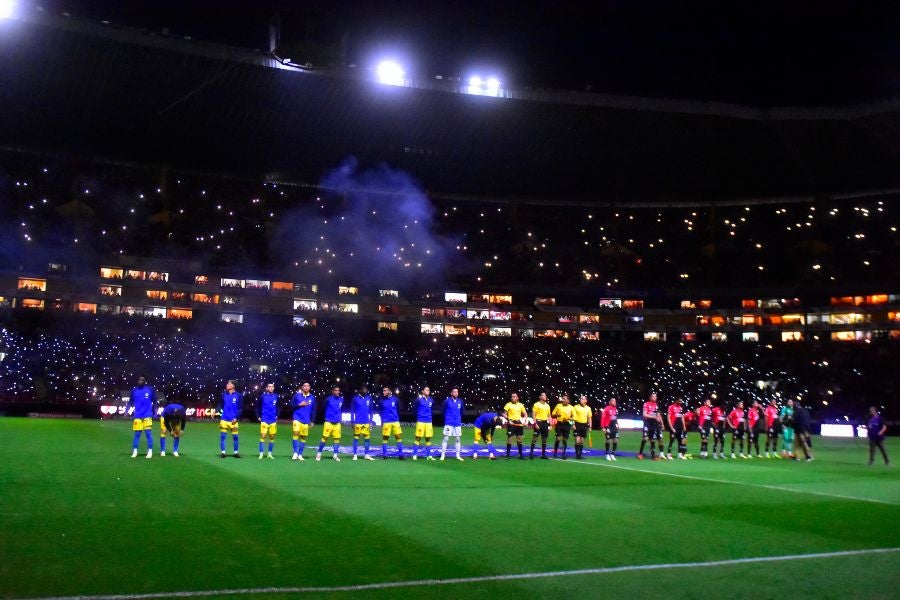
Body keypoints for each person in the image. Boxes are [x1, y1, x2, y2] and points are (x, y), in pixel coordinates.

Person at [128, 376, 155, 459]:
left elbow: (155, 401)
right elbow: (130, 401)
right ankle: (135, 451)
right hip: (138, 416)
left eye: (142, 380)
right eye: (139, 380)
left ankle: (150, 451)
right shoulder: (134, 390)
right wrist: (126, 411)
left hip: (147, 415)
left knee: (148, 433)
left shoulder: (150, 389)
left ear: (145, 381)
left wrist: (155, 412)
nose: (140, 381)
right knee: (137, 434)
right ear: (137, 381)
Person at [316, 385, 344, 462]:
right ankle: (319, 454)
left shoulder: (341, 399)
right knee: (324, 438)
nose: (337, 392)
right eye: (336, 390)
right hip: (328, 421)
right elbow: (323, 408)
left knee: (337, 439)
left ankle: (335, 455)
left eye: (338, 390)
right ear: (332, 391)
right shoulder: (328, 399)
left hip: (337, 422)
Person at [291, 382, 315, 461]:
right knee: (296, 433)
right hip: (297, 418)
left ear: (309, 388)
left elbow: (314, 410)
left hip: (306, 420)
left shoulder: (312, 397)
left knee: (303, 437)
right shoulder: (297, 396)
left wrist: (312, 421)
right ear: (302, 387)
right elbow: (291, 405)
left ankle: (300, 454)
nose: (306, 387)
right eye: (304, 386)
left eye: (308, 386)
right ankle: (295, 452)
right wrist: (299, 405)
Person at [219, 380, 243, 458]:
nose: (227, 385)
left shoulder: (239, 395)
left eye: (229, 384)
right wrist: (214, 411)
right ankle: (223, 453)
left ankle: (236, 453)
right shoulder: (223, 395)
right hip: (224, 419)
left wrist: (236, 418)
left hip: (233, 420)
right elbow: (220, 405)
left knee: (235, 437)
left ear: (233, 386)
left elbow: (240, 408)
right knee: (223, 437)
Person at [380, 386, 405, 459]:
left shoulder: (396, 399)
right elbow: (380, 411)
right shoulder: (382, 401)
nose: (383, 392)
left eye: (385, 390)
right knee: (385, 438)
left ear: (389, 391)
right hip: (386, 421)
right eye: (383, 391)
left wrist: (397, 418)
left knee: (398, 437)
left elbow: (398, 409)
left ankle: (401, 455)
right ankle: (385, 455)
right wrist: (382, 420)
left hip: (395, 421)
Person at [351, 385, 375, 461]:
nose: (365, 391)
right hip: (358, 421)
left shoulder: (369, 398)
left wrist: (371, 421)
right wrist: (352, 421)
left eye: (366, 389)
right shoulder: (355, 398)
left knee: (367, 439)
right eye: (364, 389)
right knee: (356, 438)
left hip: (366, 422)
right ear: (360, 390)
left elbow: (371, 410)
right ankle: (355, 454)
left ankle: (366, 454)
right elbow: (352, 411)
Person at [440, 388, 465, 461]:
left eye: (457, 392)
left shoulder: (460, 401)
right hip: (449, 423)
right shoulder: (447, 401)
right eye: (454, 392)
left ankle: (458, 455)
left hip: (457, 423)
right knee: (446, 438)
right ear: (451, 393)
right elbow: (443, 411)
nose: (456, 393)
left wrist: (458, 418)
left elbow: (462, 411)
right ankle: (443, 455)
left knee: (457, 439)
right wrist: (448, 418)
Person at [257, 383, 279, 459]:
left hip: (273, 420)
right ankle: (261, 453)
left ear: (274, 388)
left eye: (272, 386)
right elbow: (257, 407)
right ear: (267, 388)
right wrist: (258, 416)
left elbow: (279, 406)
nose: (271, 388)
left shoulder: (276, 396)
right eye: (269, 386)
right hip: (264, 419)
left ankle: (269, 453)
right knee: (263, 436)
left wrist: (277, 415)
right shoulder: (262, 396)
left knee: (272, 437)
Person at [638, 392, 663, 460]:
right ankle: (640, 454)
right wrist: (654, 417)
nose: (655, 398)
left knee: (652, 440)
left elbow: (658, 415)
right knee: (645, 438)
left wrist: (660, 422)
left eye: (656, 396)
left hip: (654, 424)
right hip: (647, 423)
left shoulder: (656, 405)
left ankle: (653, 456)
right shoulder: (646, 404)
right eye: (653, 397)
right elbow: (644, 414)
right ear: (650, 397)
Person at [413, 386, 435, 461]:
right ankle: (415, 455)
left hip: (428, 421)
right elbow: (415, 408)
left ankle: (428, 455)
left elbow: (431, 409)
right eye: (426, 390)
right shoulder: (418, 400)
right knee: (418, 438)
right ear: (422, 391)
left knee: (428, 438)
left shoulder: (431, 400)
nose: (428, 391)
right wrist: (419, 416)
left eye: (428, 390)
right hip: (421, 421)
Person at [503, 392, 528, 459]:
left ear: (517, 398)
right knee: (509, 439)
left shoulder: (521, 405)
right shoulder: (508, 404)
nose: (513, 398)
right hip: (511, 423)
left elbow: (525, 414)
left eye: (514, 396)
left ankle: (520, 455)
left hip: (519, 423)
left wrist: (525, 421)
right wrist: (509, 420)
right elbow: (504, 414)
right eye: (512, 397)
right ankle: (508, 455)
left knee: (519, 439)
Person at [529, 392, 552, 459]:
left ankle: (543, 454)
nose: (545, 396)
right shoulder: (536, 404)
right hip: (538, 422)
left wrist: (550, 425)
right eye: (543, 395)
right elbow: (533, 414)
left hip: (545, 423)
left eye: (545, 395)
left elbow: (549, 415)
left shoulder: (547, 406)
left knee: (544, 438)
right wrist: (535, 423)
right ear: (540, 397)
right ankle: (531, 453)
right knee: (535, 438)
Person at [551, 394, 574, 459]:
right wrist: (557, 414)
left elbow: (575, 417)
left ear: (568, 400)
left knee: (565, 440)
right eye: (562, 398)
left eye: (564, 399)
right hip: (559, 424)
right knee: (558, 439)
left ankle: (563, 454)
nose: (563, 400)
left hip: (567, 425)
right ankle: (555, 452)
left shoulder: (571, 408)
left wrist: (569, 418)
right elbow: (553, 413)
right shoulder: (558, 405)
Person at [572, 395, 592, 460]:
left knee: (582, 441)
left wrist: (590, 426)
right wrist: (573, 424)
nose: (581, 400)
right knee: (577, 440)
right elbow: (572, 416)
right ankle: (577, 455)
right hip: (577, 424)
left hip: (584, 425)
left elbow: (589, 418)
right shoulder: (576, 407)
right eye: (581, 399)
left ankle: (580, 455)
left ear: (586, 400)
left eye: (583, 399)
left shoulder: (588, 408)